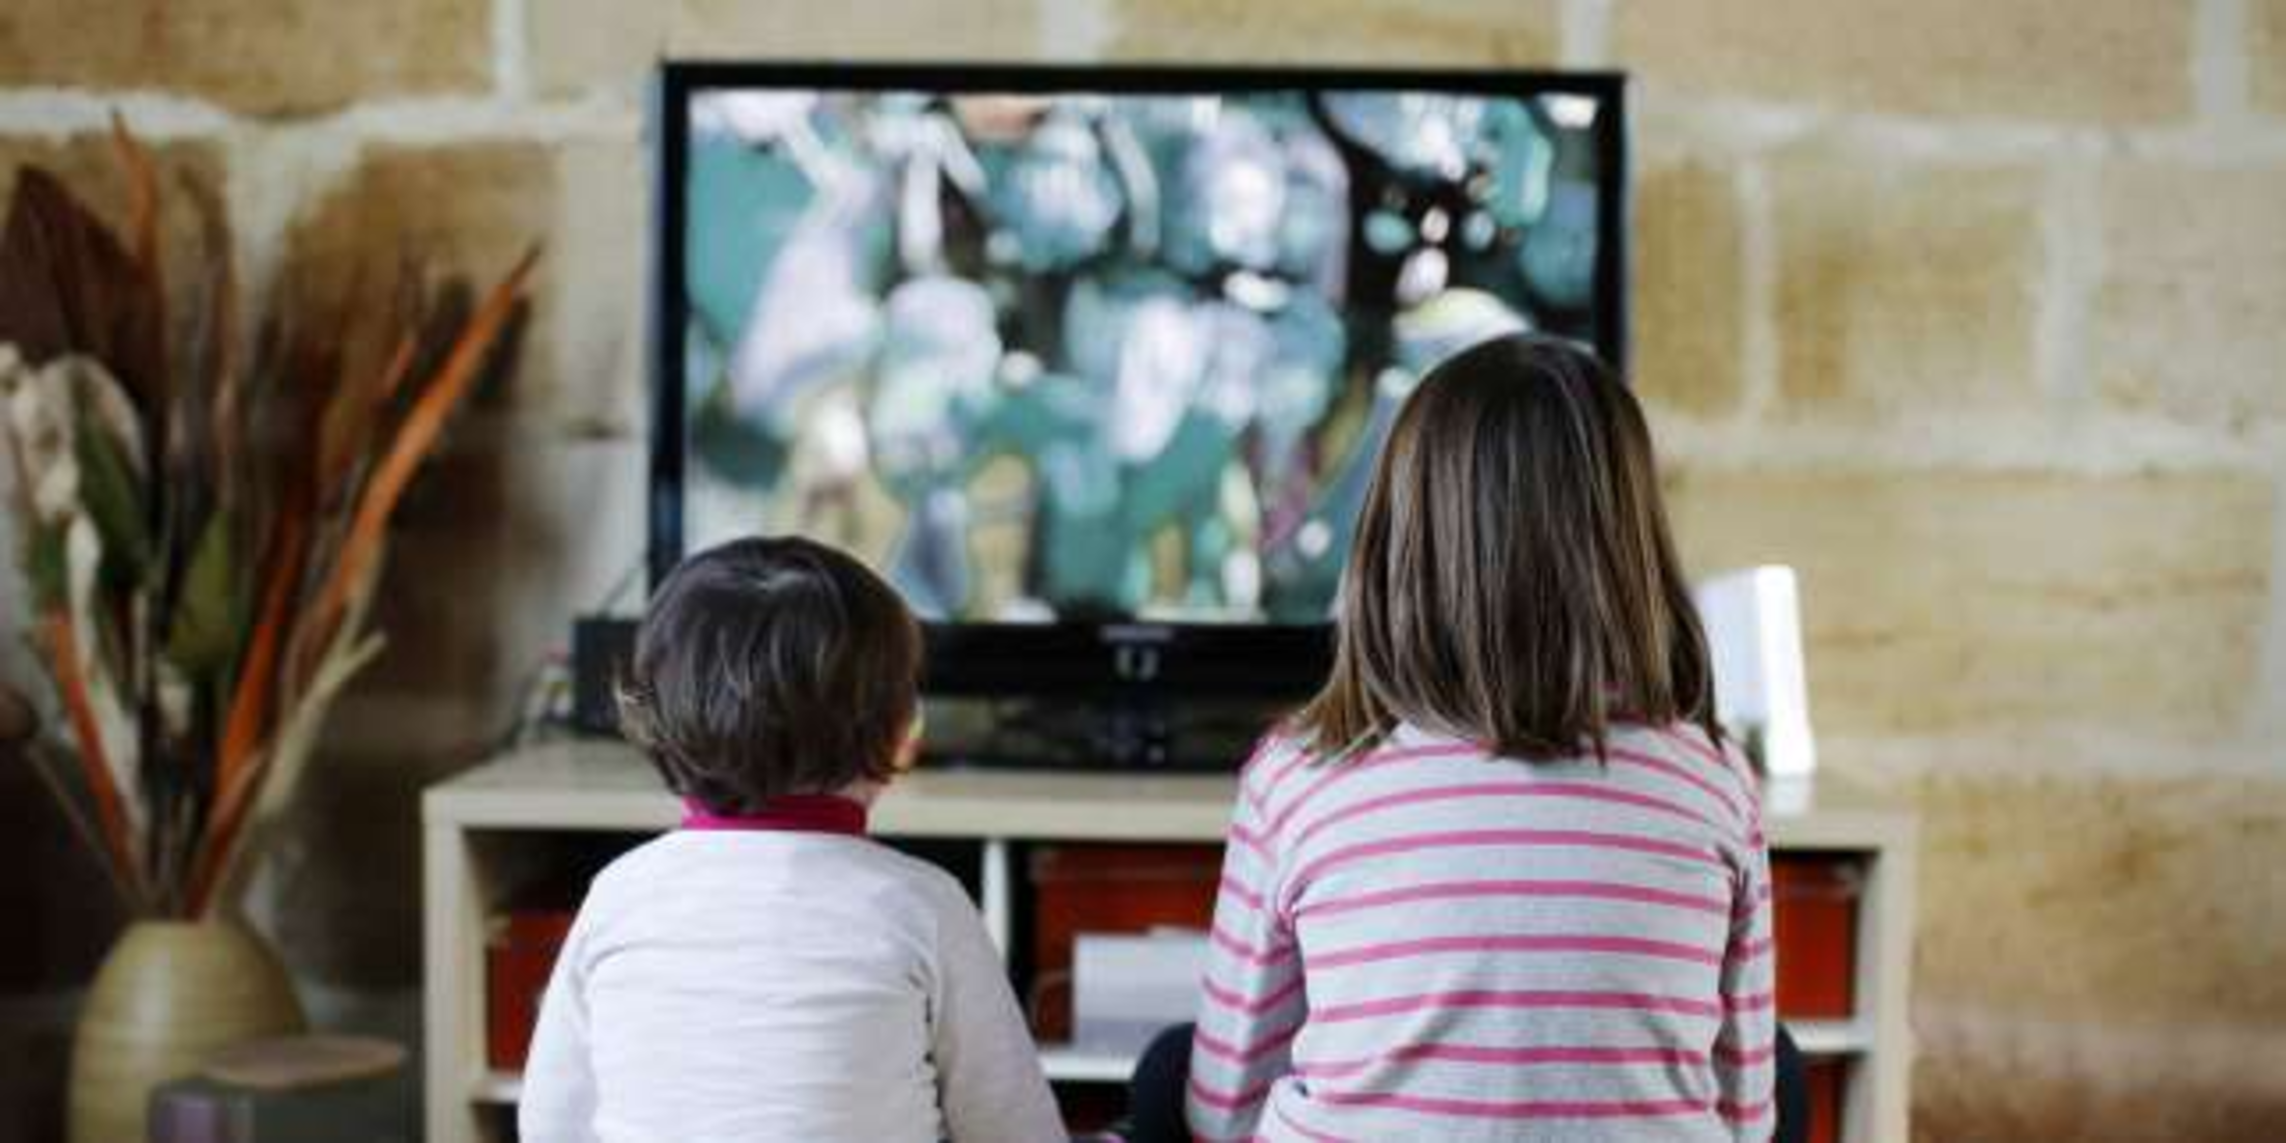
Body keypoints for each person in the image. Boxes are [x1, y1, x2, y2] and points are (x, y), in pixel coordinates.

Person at [1185, 334, 1777, 1141]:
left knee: (1174, 1067)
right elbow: (1746, 1114)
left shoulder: (1299, 774)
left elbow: (1223, 1107)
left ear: (1398, 532)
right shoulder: (1714, 779)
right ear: (1630, 537)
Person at [518, 536, 1065, 1143]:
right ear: (897, 732)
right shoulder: (924, 906)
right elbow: (1016, 1129)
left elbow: (550, 1123)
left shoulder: (618, 895)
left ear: (656, 720)